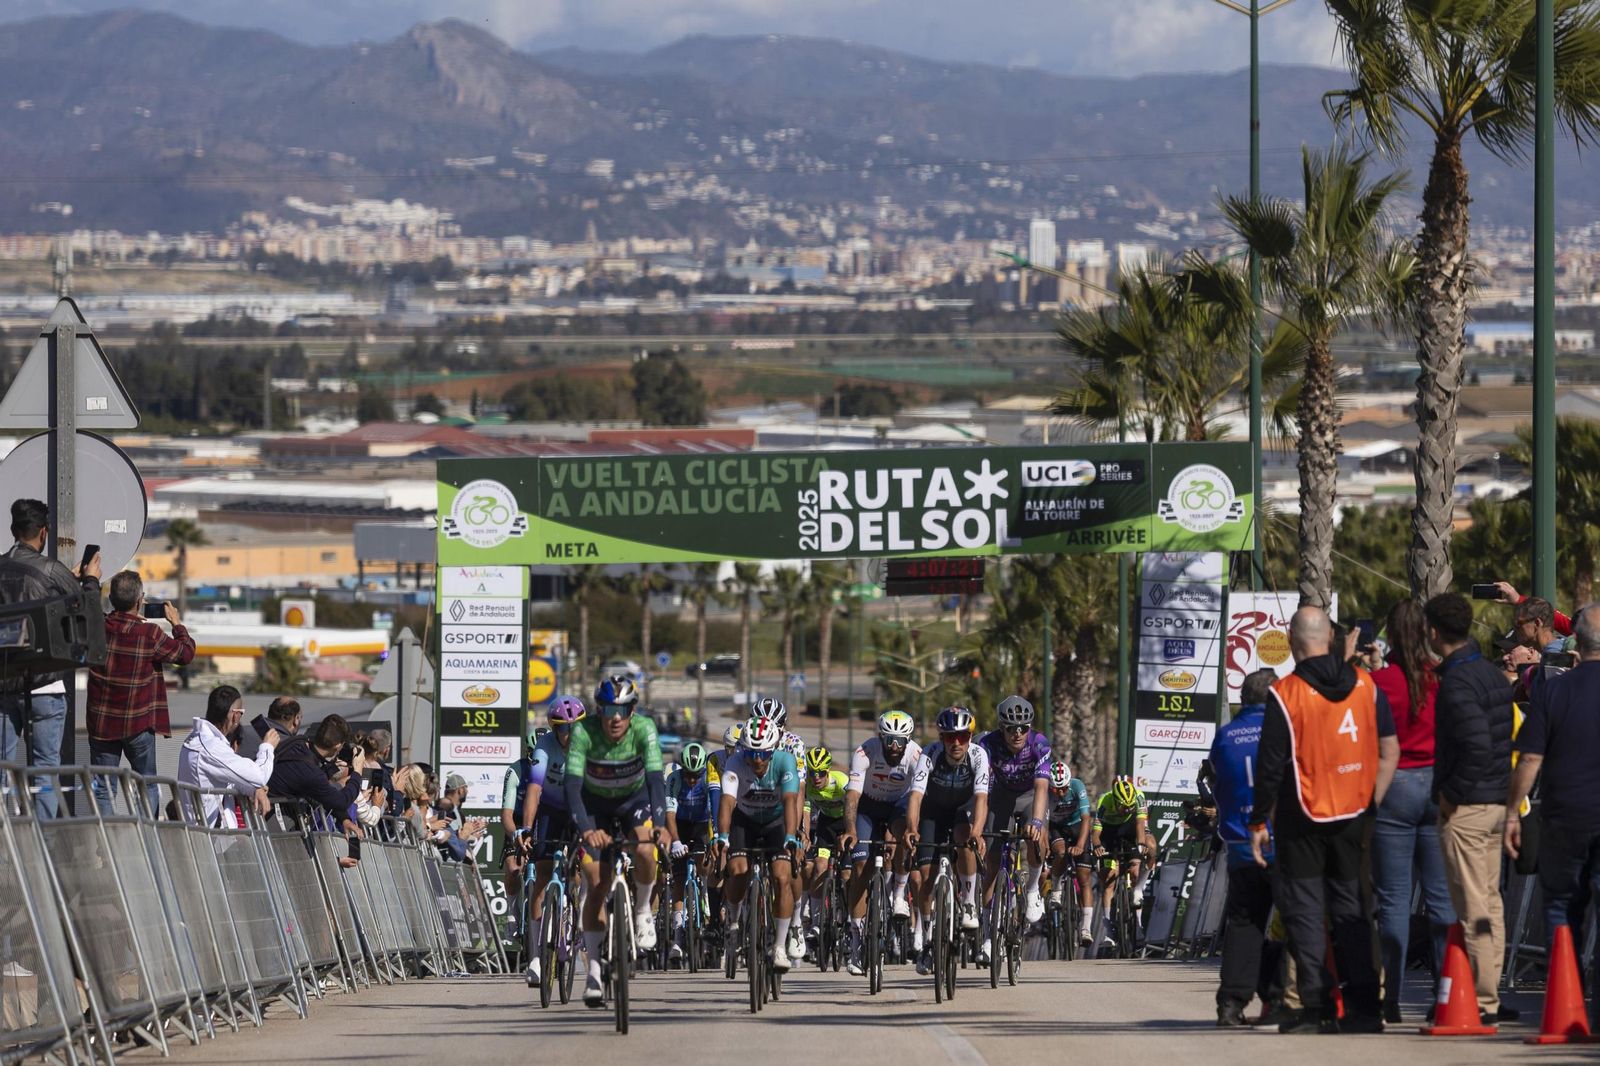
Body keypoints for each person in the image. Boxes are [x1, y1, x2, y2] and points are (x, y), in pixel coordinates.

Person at [1247, 606, 1399, 1034]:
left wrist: (1259, 822)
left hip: (1303, 818)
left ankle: (1315, 1007)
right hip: (1355, 816)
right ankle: (1366, 1006)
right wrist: (1371, 802)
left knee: (1306, 911)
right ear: (1331, 639)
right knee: (1354, 910)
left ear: (1294, 642)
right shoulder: (1367, 686)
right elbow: (1390, 751)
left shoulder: (1286, 693)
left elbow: (1271, 766)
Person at [1424, 592, 1516, 1026]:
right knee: (1491, 902)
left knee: (1473, 904)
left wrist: (1450, 794)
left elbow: (1476, 743)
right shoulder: (1493, 676)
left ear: (1434, 631)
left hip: (1469, 805)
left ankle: (1481, 995)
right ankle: (1491, 992)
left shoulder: (1458, 682)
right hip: (1496, 800)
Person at [1506, 603, 1600, 1015]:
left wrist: (1512, 811)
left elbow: (1529, 759)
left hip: (1564, 815)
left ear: (1575, 641)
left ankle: (1567, 1004)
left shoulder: (1555, 690)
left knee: (1561, 907)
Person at [1367, 599, 1456, 1023]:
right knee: (1441, 900)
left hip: (1395, 784)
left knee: (1394, 901)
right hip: (1436, 787)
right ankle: (1445, 993)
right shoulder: (1440, 679)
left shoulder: (1380, 682)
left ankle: (1392, 997)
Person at [561, 676, 666, 1007]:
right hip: (595, 808)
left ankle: (642, 910)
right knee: (597, 885)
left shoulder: (645, 730)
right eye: (607, 709)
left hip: (633, 802)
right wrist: (585, 828)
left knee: (647, 848)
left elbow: (655, 782)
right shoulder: (583, 732)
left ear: (632, 711)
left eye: (622, 710)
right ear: (598, 710)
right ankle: (593, 972)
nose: (614, 718)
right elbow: (572, 788)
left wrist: (660, 825)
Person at [0, 499, 101, 818]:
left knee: (2, 764)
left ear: (14, 530)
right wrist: (91, 580)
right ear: (43, 533)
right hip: (45, 685)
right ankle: (40, 843)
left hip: (4, 683)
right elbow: (85, 609)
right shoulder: (51, 570)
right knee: (44, 770)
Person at [86, 570, 195, 817]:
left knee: (103, 787)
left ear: (112, 599)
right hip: (138, 724)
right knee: (147, 785)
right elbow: (185, 654)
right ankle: (147, 842)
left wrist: (89, 580)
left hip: (102, 724)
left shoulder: (97, 627)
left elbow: (85, 605)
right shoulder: (149, 635)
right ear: (139, 601)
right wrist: (177, 624)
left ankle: (106, 848)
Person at [1212, 669, 1286, 1028]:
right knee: (1295, 921)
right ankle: (1287, 997)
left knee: (1244, 923)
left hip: (1241, 842)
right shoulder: (1283, 729)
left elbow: (1218, 782)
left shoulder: (1224, 737)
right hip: (1279, 838)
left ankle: (1231, 1004)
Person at [903, 706, 989, 976]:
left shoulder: (978, 755)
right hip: (933, 810)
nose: (955, 743)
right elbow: (915, 796)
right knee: (926, 877)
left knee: (966, 839)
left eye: (962, 737)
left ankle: (969, 905)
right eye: (949, 737)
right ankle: (928, 937)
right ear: (941, 738)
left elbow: (982, 799)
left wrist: (977, 831)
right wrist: (911, 829)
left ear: (970, 737)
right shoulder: (929, 754)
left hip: (962, 809)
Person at [714, 716, 801, 974]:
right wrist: (722, 836)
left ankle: (780, 946)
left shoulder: (786, 761)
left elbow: (789, 800)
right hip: (745, 821)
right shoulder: (734, 763)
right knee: (738, 871)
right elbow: (727, 802)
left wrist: (791, 836)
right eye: (751, 753)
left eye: (763, 753)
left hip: (776, 822)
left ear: (773, 750)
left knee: (782, 878)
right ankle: (733, 922)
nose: (758, 760)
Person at [838, 709, 922, 976]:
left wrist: (911, 829)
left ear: (908, 740)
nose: (895, 747)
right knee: (861, 868)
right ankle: (855, 939)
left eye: (900, 741)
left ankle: (898, 895)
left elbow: (918, 798)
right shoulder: (864, 752)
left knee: (900, 837)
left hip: (899, 805)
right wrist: (850, 830)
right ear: (880, 737)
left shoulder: (916, 756)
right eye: (889, 740)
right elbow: (851, 797)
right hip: (868, 807)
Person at [977, 694, 1052, 941]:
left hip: (1030, 795)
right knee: (992, 860)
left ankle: (1032, 891)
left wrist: (1037, 823)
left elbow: (1042, 787)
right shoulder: (987, 745)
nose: (1017, 734)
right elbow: (982, 788)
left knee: (1036, 838)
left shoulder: (1039, 744)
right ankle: (988, 934)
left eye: (1022, 728)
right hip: (1001, 796)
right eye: (1011, 729)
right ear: (1001, 728)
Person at [749, 696, 809, 961]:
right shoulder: (748, 739)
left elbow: (798, 791)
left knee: (791, 863)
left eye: (775, 724)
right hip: (752, 805)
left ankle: (795, 920)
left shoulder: (793, 744)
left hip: (784, 805)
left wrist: (797, 830)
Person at [177, 684, 278, 826]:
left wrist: (255, 789)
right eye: (241, 713)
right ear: (235, 715)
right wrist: (267, 747)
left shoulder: (198, 739)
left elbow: (231, 779)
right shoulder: (211, 747)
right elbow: (259, 776)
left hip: (206, 833)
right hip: (211, 837)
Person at [665, 740, 714, 961]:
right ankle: (678, 935)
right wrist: (675, 841)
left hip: (703, 825)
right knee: (679, 877)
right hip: (681, 826)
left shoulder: (708, 779)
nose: (692, 779)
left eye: (697, 774)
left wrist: (716, 841)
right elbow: (670, 815)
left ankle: (704, 890)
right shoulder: (674, 780)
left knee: (707, 861)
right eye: (688, 775)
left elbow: (716, 812)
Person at [1090, 777, 1152, 947]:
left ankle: (1138, 925)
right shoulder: (1105, 800)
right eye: (1124, 807)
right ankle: (1108, 931)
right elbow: (1096, 832)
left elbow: (1140, 824)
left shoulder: (1138, 796)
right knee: (1109, 878)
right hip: (1109, 834)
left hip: (1131, 831)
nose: (1127, 809)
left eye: (1130, 807)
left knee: (1135, 870)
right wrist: (1097, 846)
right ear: (1115, 801)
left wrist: (1140, 844)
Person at [1040, 759, 1093, 946]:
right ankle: (1056, 889)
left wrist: (1080, 845)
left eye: (1064, 788)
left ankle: (1086, 928)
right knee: (1061, 853)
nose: (1061, 793)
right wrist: (1045, 844)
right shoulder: (1045, 790)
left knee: (1084, 877)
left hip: (1078, 826)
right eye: (1057, 789)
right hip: (1056, 827)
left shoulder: (1077, 786)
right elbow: (1043, 822)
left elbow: (1087, 818)